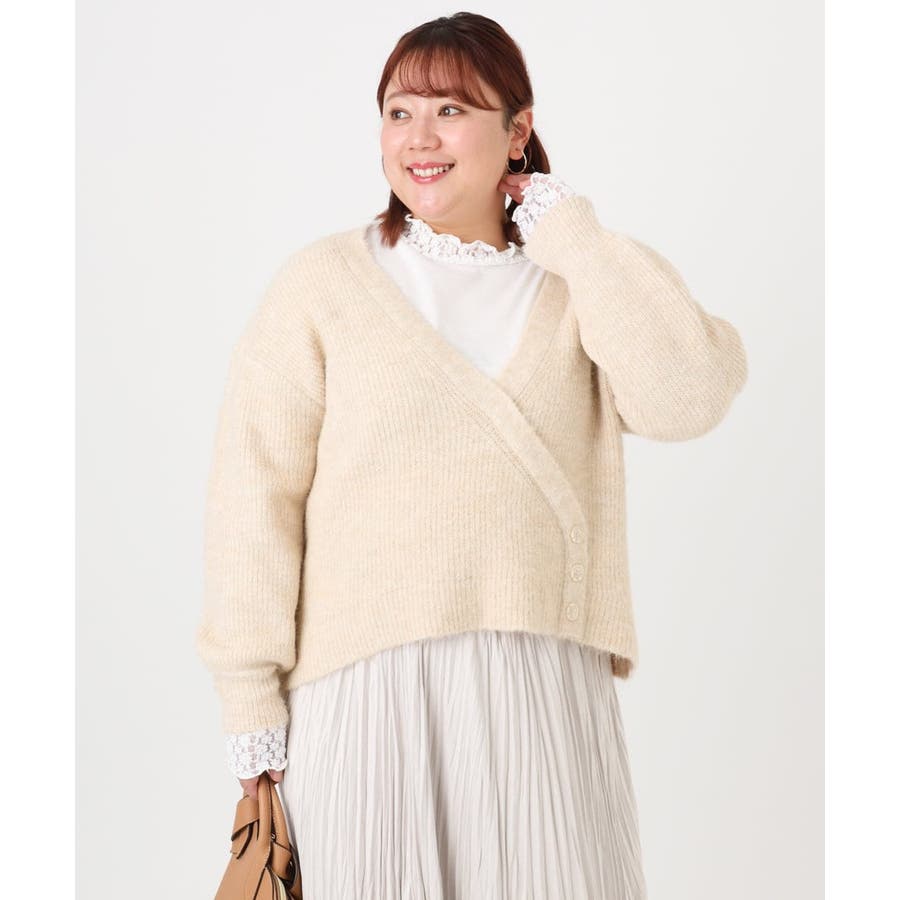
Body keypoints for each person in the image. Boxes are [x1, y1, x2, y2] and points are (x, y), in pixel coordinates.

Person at [195, 11, 748, 899]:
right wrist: (249, 697)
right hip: (365, 694)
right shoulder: (322, 284)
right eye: (399, 112)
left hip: (544, 689)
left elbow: (688, 399)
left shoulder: (582, 276)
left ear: (517, 129)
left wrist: (575, 239)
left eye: (450, 110)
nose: (419, 138)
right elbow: (253, 500)